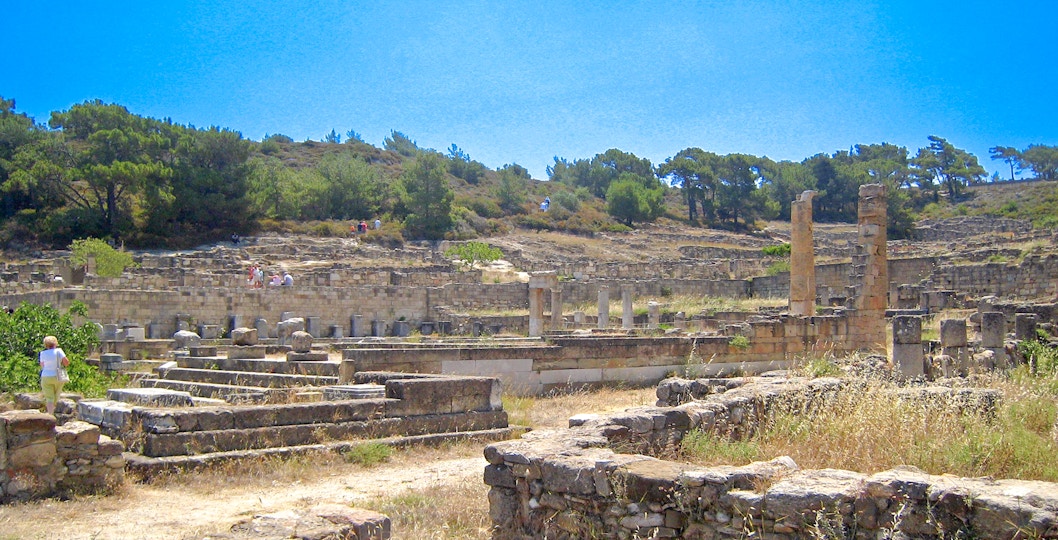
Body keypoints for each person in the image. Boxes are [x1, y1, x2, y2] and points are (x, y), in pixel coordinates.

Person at [39, 335, 69, 415]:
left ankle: (50, 416)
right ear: (55, 343)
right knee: (56, 396)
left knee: (49, 398)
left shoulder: (42, 353)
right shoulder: (59, 351)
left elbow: (42, 365)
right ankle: (52, 412)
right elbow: (66, 362)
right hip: (58, 376)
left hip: (46, 376)